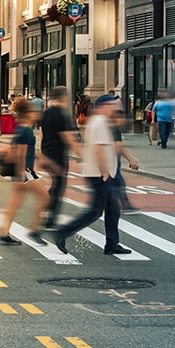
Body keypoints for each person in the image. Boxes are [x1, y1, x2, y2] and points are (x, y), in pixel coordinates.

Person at [50, 95, 131, 256]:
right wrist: (105, 170)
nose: (113, 109)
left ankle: (112, 243)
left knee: (113, 209)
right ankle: (62, 232)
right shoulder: (100, 123)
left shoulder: (99, 122)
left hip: (100, 172)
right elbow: (99, 148)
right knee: (95, 211)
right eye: (110, 106)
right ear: (101, 107)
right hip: (100, 173)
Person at [0, 97, 48, 246]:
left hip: (22, 173)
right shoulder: (25, 132)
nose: (36, 114)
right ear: (28, 113)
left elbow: (25, 151)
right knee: (45, 197)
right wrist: (20, 176)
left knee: (14, 204)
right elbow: (21, 154)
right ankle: (34, 229)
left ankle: (3, 232)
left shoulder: (22, 129)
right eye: (34, 111)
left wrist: (45, 161)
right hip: (25, 172)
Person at [38, 87, 79, 230]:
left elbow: (41, 134)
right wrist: (82, 155)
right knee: (58, 186)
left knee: (56, 185)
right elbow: (67, 138)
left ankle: (46, 212)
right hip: (58, 155)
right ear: (63, 98)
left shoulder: (46, 113)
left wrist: (42, 153)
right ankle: (49, 216)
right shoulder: (61, 115)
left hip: (47, 152)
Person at [109, 100, 141, 216]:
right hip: (111, 163)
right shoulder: (114, 129)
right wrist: (131, 160)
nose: (124, 121)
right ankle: (125, 206)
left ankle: (122, 205)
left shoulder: (110, 128)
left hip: (111, 163)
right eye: (122, 118)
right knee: (119, 184)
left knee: (115, 185)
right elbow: (118, 146)